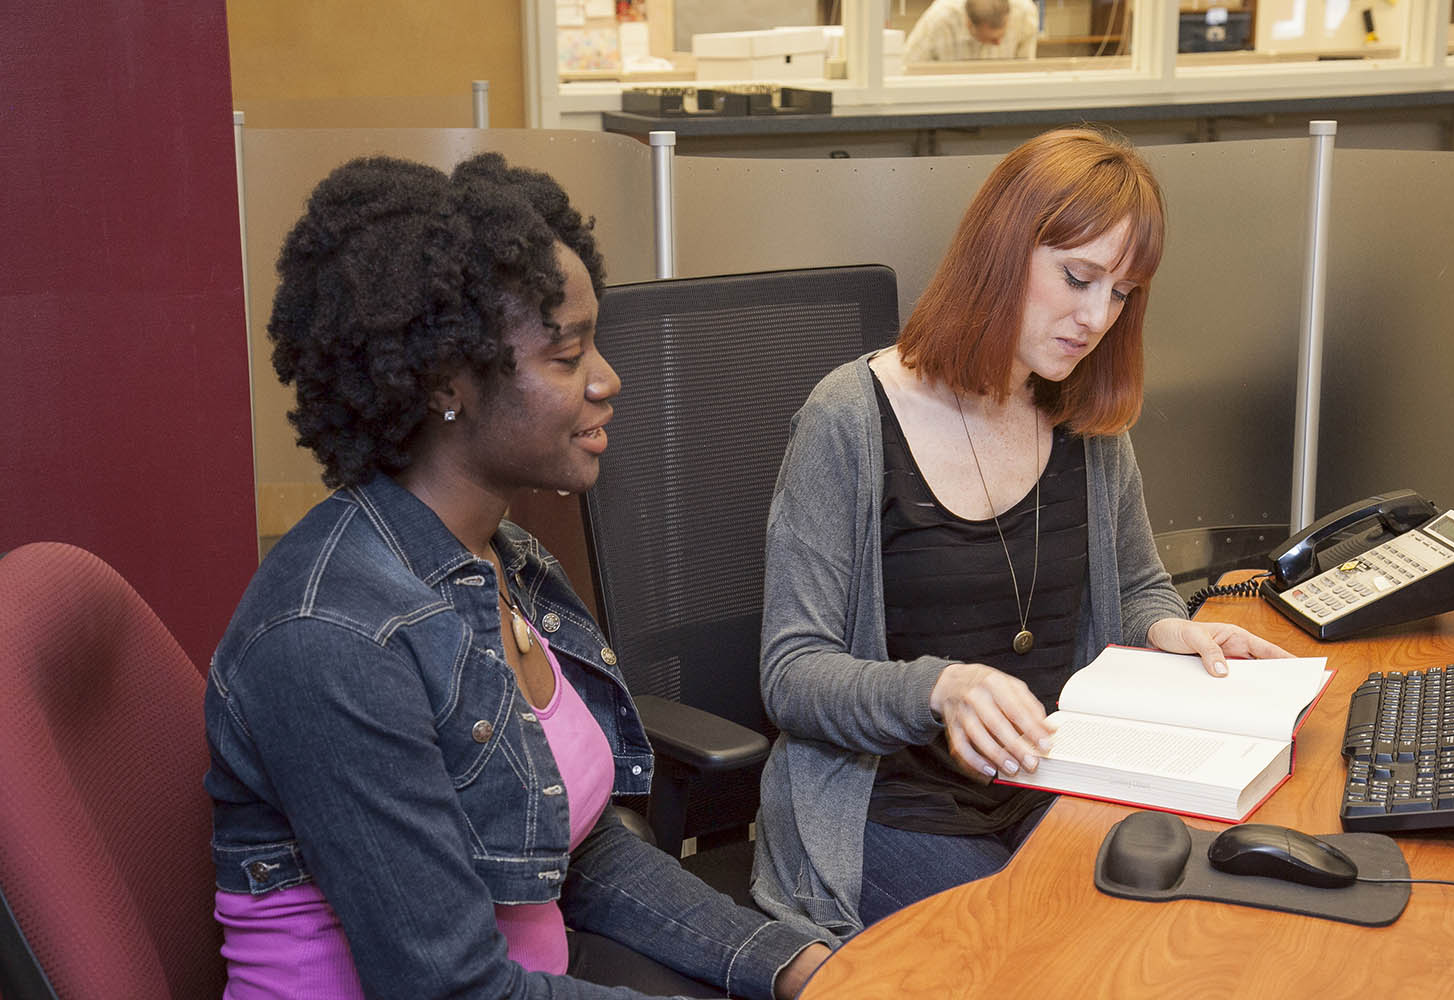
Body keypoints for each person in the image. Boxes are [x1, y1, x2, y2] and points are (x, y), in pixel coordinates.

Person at [204, 153, 831, 999]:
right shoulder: (335, 640)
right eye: (567, 355)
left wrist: (795, 966)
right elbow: (452, 991)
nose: (610, 379)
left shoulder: (501, 558)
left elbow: (582, 850)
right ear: (447, 384)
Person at [749, 126, 1293, 938]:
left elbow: (1137, 581)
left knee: (1207, 930)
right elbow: (792, 674)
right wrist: (940, 688)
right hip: (893, 806)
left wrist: (1170, 626)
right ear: (1001, 250)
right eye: (1078, 277)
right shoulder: (848, 420)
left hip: (1056, 785)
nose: (1095, 316)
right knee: (1041, 950)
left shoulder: (1082, 415)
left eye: (1121, 293)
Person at [903, 0, 1039, 64]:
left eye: (1002, 35)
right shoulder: (938, 19)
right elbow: (907, 67)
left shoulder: (1024, 13)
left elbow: (1026, 68)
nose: (998, 43)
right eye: (991, 39)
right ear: (969, 24)